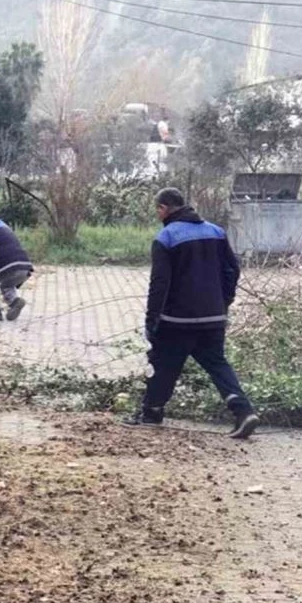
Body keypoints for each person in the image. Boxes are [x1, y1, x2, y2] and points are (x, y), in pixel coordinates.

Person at [124, 187, 260, 439]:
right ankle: (243, 411)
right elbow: (232, 270)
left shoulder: (166, 238)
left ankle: (151, 412)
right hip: (213, 317)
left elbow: (159, 284)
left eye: (157, 209)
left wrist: (152, 320)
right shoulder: (216, 232)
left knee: (164, 362)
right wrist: (224, 301)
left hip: (177, 320)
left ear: (163, 208)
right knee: (217, 363)